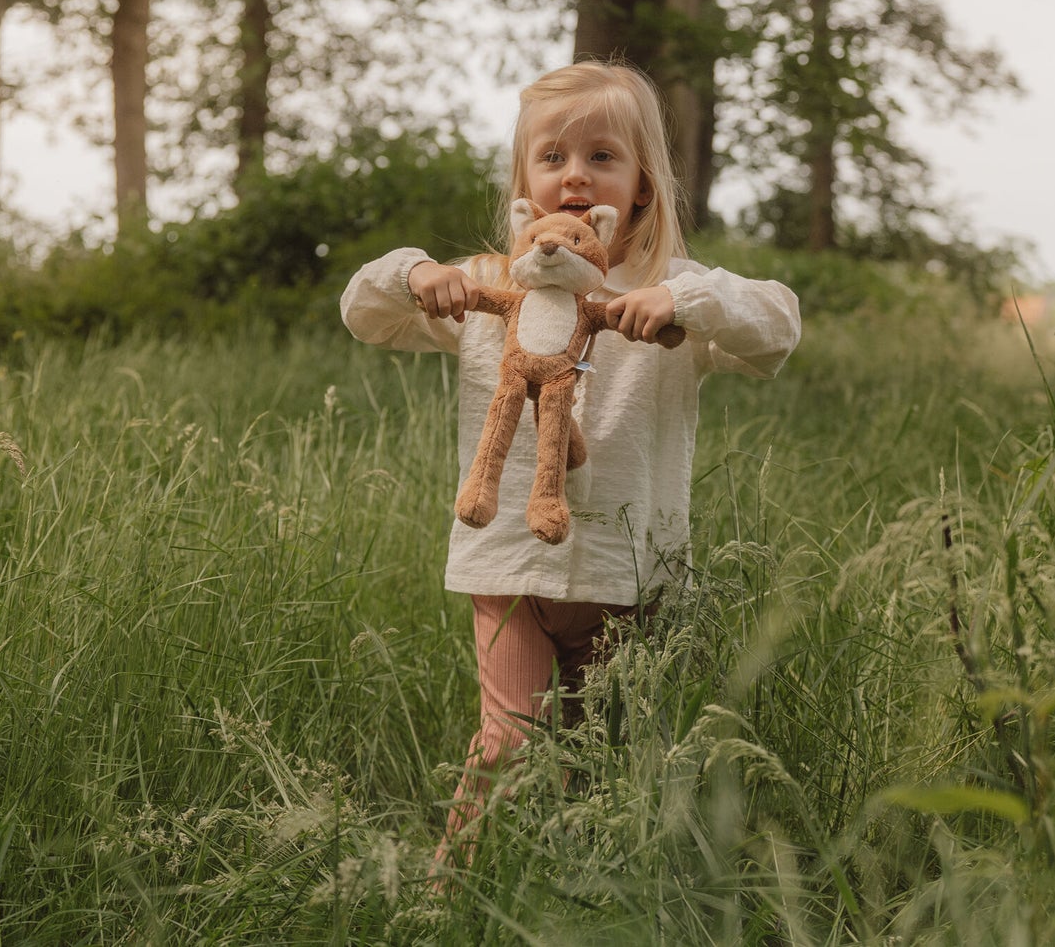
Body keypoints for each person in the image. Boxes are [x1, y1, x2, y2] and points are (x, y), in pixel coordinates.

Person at [339, 61, 801, 867]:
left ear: (642, 186)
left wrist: (689, 304)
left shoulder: (670, 293)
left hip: (629, 572)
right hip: (510, 563)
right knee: (507, 741)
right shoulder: (490, 289)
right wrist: (415, 273)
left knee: (611, 756)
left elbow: (778, 327)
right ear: (525, 185)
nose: (575, 174)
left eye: (601, 156)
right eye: (551, 157)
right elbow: (364, 311)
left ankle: (590, 894)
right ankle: (450, 898)